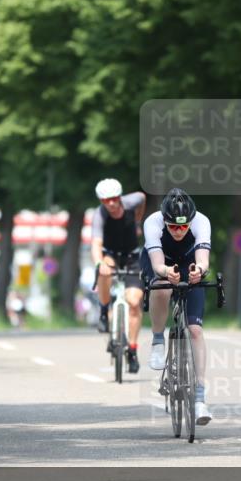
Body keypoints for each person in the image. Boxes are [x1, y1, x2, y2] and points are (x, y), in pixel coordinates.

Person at [142, 188, 213, 426]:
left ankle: (200, 398)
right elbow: (157, 264)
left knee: (195, 330)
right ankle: (158, 341)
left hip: (189, 264)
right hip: (162, 263)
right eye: (173, 227)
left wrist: (198, 271)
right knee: (161, 287)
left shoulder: (202, 221)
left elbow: (203, 260)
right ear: (164, 221)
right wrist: (165, 273)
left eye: (184, 226)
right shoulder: (152, 223)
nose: (179, 231)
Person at [91, 178, 146, 374]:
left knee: (134, 301)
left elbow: (142, 197)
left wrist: (138, 220)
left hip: (132, 256)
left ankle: (132, 350)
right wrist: (99, 263)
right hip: (111, 254)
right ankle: (104, 311)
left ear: (120, 197)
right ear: (101, 201)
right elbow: (96, 244)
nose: (111, 204)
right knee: (104, 270)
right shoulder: (99, 215)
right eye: (106, 201)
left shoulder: (131, 202)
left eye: (114, 199)